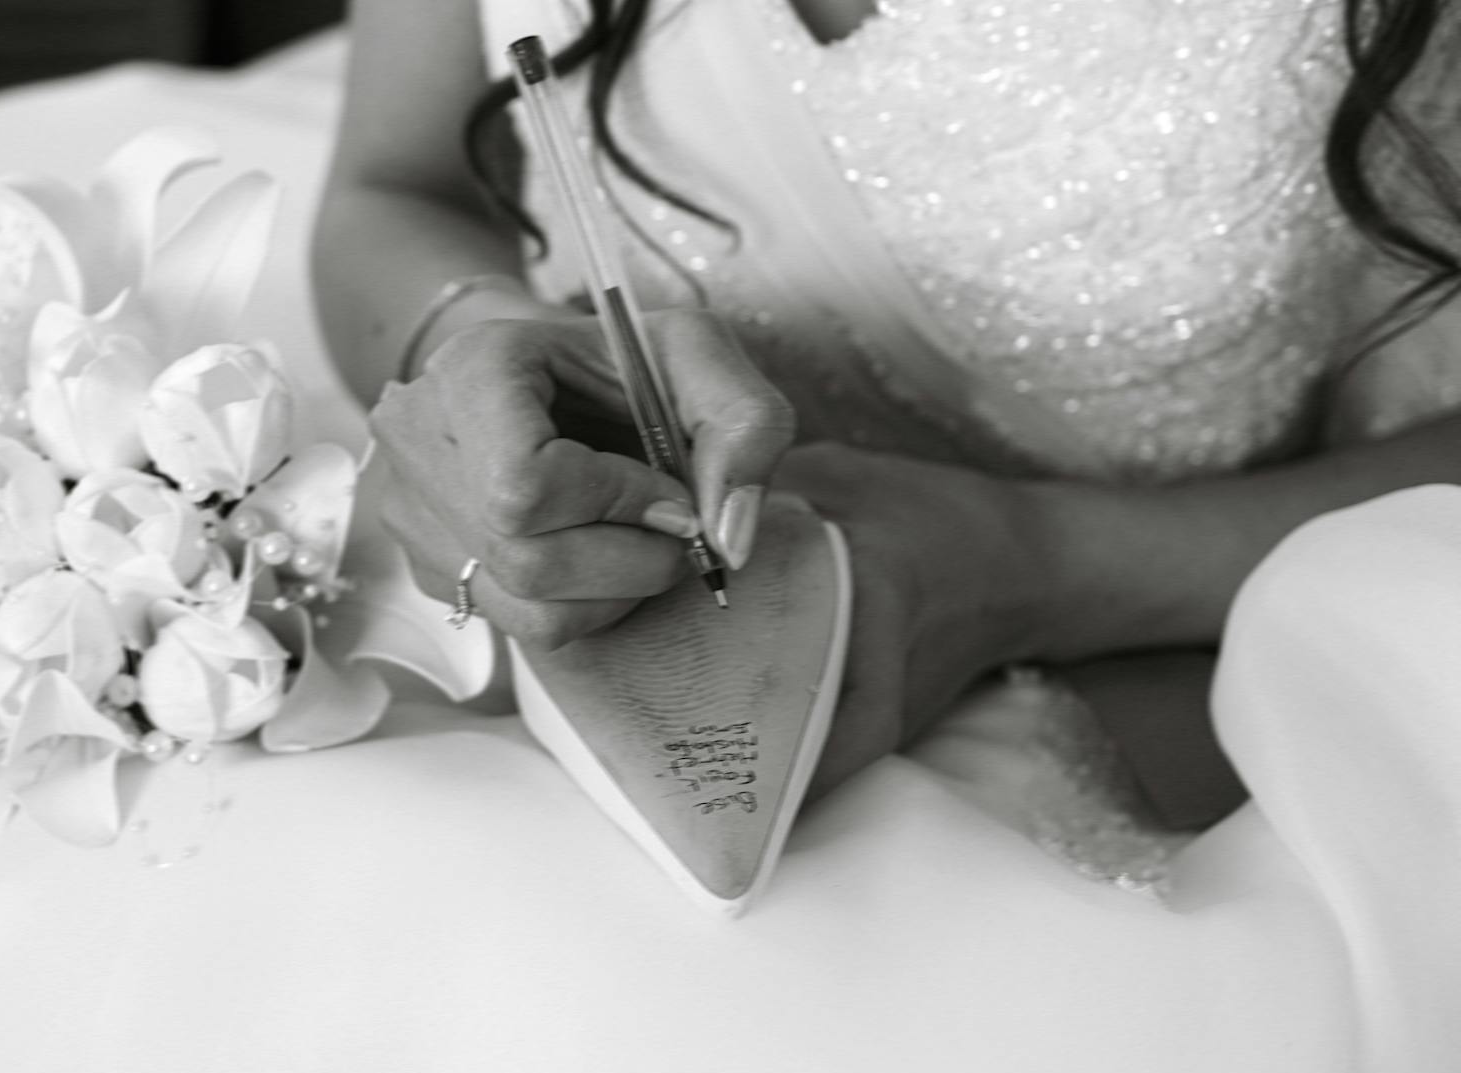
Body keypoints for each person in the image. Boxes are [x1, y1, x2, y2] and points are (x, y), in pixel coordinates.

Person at [310, 0, 1461, 840]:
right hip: (645, 651)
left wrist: (1045, 562)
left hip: (1220, 654)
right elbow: (393, 188)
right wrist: (469, 346)